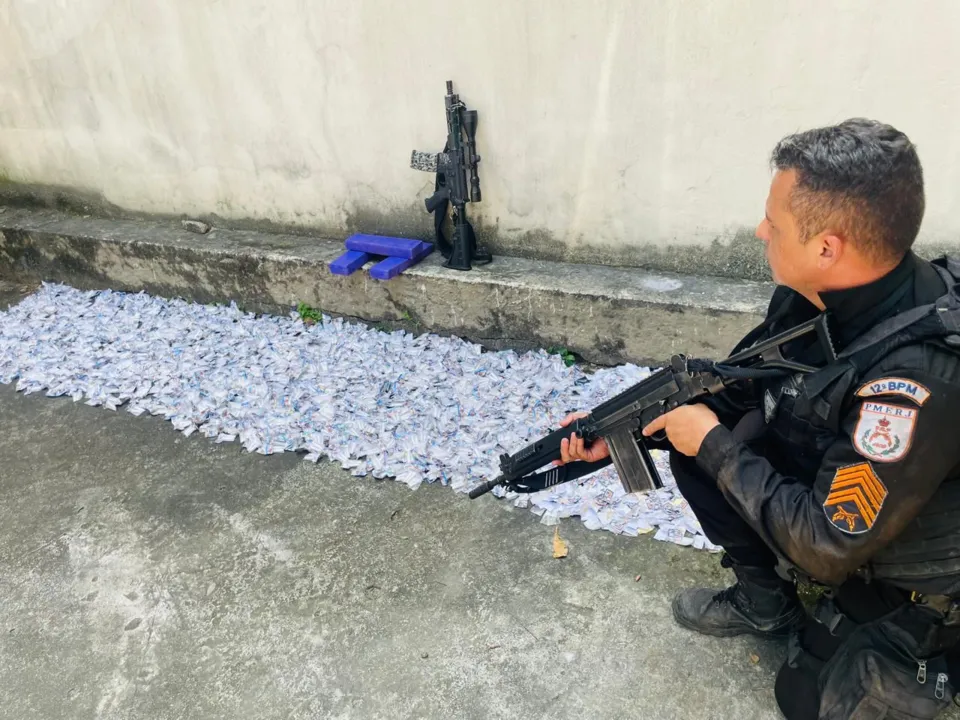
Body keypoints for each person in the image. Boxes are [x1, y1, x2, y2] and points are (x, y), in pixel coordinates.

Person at [556, 118, 960, 719]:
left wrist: (715, 444)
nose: (759, 230)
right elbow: (738, 387)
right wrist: (620, 425)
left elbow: (829, 544)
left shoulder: (912, 384)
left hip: (910, 559)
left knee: (803, 699)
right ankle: (767, 602)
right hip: (849, 496)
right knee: (696, 443)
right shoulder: (813, 296)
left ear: (827, 247)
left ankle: (933, 632)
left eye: (774, 223)